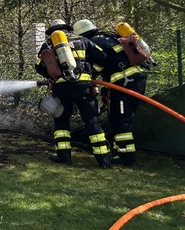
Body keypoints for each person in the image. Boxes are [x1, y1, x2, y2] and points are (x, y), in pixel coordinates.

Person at [35, 19, 112, 168]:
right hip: (83, 86)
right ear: (67, 29)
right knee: (91, 120)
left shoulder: (48, 45)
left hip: (61, 88)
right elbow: (103, 58)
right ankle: (103, 159)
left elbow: (39, 67)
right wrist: (93, 71)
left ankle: (64, 157)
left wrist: (52, 76)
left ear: (52, 32)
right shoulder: (83, 40)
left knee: (62, 120)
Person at [74, 19, 148, 167]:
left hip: (124, 83)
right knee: (116, 117)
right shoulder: (110, 37)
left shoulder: (94, 43)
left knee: (120, 119)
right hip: (134, 80)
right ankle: (119, 151)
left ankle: (127, 157)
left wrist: (90, 75)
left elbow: (101, 62)